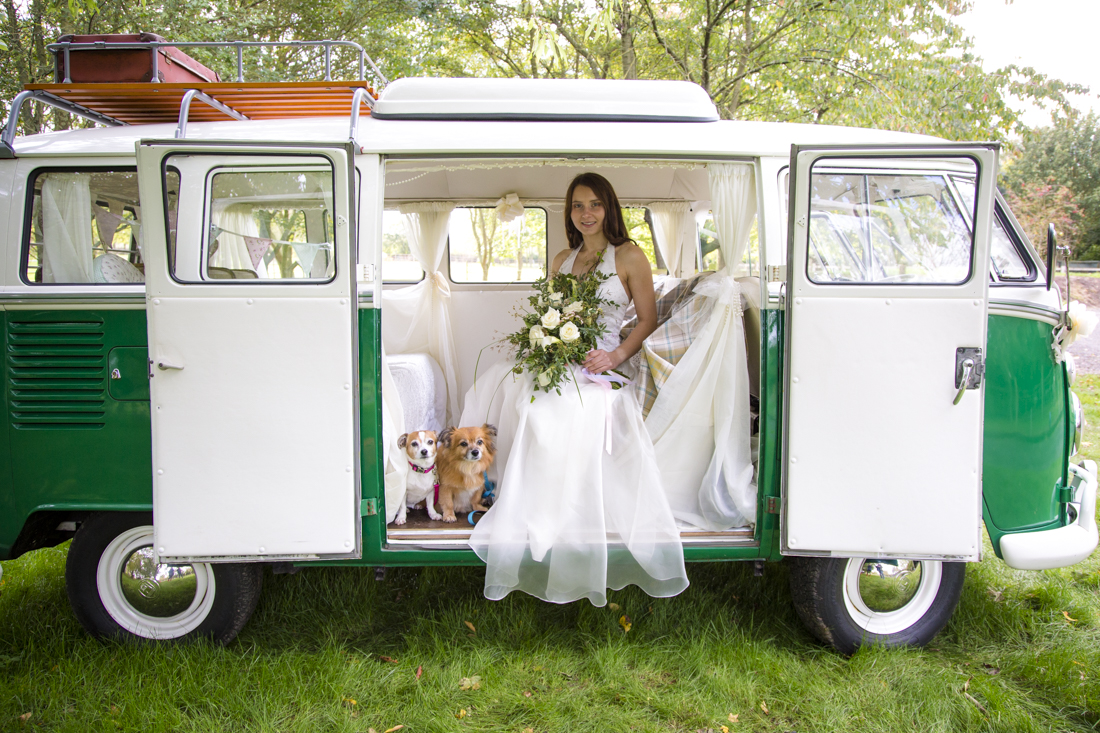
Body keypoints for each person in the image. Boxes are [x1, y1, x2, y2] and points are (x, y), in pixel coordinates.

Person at [461, 172, 689, 606]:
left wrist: (615, 356)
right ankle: (491, 492)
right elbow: (550, 312)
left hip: (598, 364)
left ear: (609, 208)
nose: (586, 214)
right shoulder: (562, 258)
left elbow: (646, 320)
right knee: (496, 382)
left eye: (595, 205)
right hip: (557, 358)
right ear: (570, 212)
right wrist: (542, 344)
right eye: (578, 206)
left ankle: (548, 515)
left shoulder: (629, 256)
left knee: (548, 410)